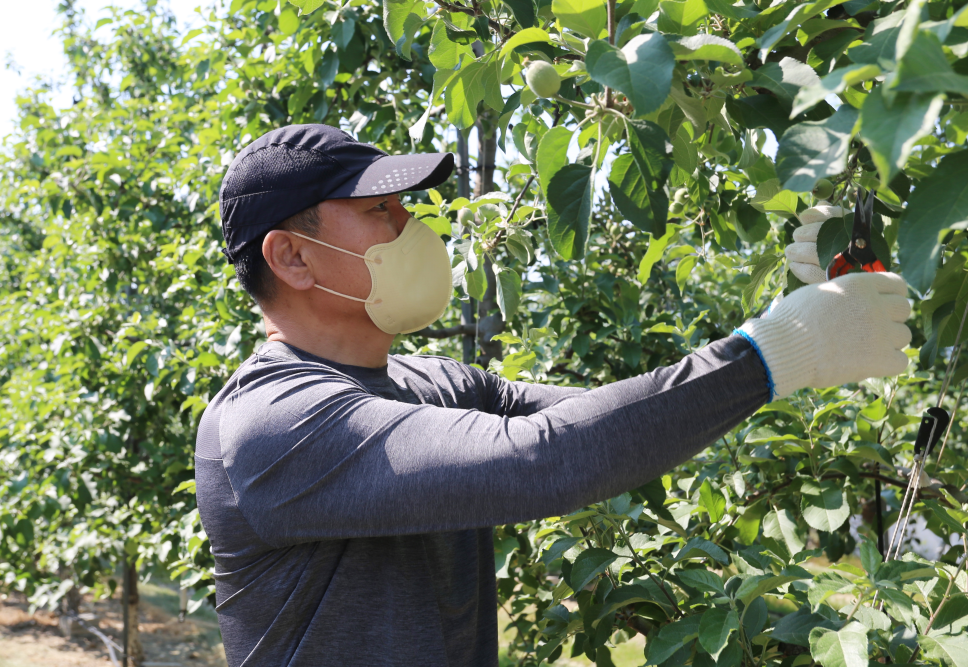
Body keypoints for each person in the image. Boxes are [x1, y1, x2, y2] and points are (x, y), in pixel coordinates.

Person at [195, 124, 911, 666]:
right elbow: (546, 459)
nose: (412, 227)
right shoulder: (272, 422)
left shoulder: (433, 383)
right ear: (291, 256)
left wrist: (809, 306)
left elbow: (613, 423)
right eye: (381, 208)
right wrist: (776, 349)